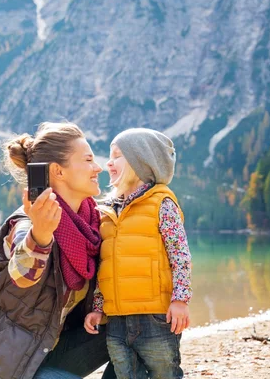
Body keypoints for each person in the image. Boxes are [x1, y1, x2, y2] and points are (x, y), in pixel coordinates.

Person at [0, 122, 116, 379]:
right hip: (6, 366)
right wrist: (40, 236)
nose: (97, 167)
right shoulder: (26, 223)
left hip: (50, 351)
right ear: (58, 171)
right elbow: (21, 276)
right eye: (88, 160)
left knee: (136, 333)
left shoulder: (90, 223)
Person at [85, 128, 192, 379]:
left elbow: (180, 256)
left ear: (140, 162)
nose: (108, 163)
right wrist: (99, 308)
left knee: (165, 373)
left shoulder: (161, 204)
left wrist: (180, 300)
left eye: (117, 155)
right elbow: (105, 266)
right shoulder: (107, 211)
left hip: (156, 317)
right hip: (117, 320)